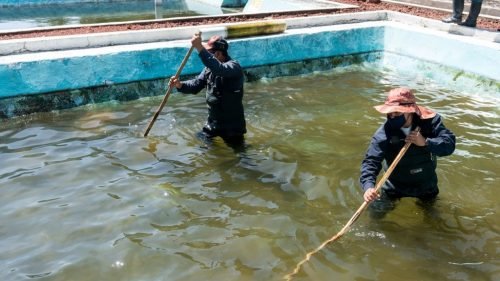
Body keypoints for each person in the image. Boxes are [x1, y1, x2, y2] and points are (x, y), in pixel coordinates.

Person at [360, 87, 456, 218]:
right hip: (395, 184)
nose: (392, 117)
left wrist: (426, 142)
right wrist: (368, 187)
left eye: (397, 113)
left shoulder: (430, 122)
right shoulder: (384, 133)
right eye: (390, 114)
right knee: (376, 216)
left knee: (434, 220)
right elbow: (371, 162)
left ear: (410, 111)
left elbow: (449, 146)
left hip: (426, 183)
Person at [169, 34, 246, 149]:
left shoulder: (234, 68)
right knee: (202, 144)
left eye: (209, 52)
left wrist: (200, 48)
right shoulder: (208, 70)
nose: (207, 55)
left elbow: (219, 69)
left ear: (218, 54)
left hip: (232, 126)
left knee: (240, 155)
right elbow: (196, 85)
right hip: (213, 123)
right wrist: (180, 85)